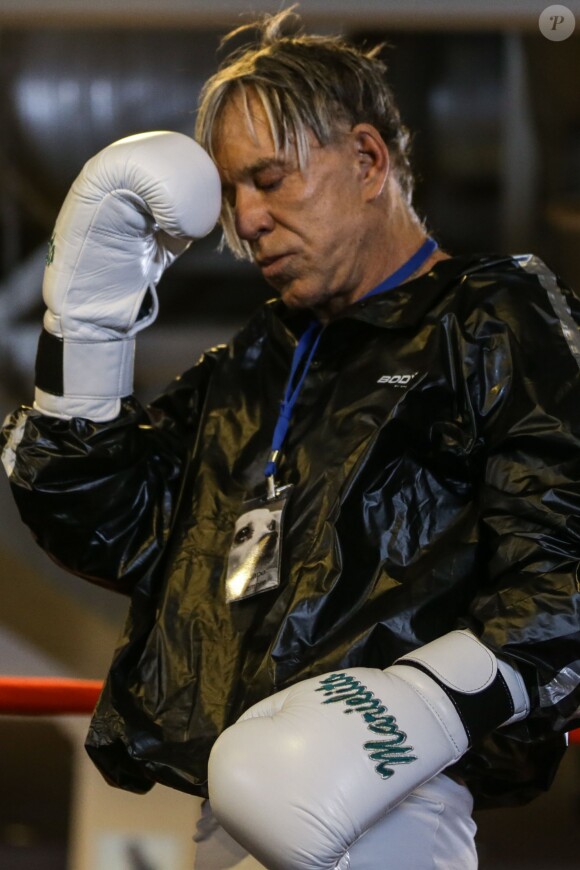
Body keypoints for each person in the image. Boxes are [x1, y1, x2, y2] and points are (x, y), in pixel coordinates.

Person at [2, 9, 580, 869]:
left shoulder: (492, 318)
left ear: (367, 160)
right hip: (227, 797)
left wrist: (410, 709)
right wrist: (86, 324)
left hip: (391, 797)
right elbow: (108, 524)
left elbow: (565, 566)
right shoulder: (256, 361)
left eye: (270, 179)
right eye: (233, 191)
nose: (246, 218)